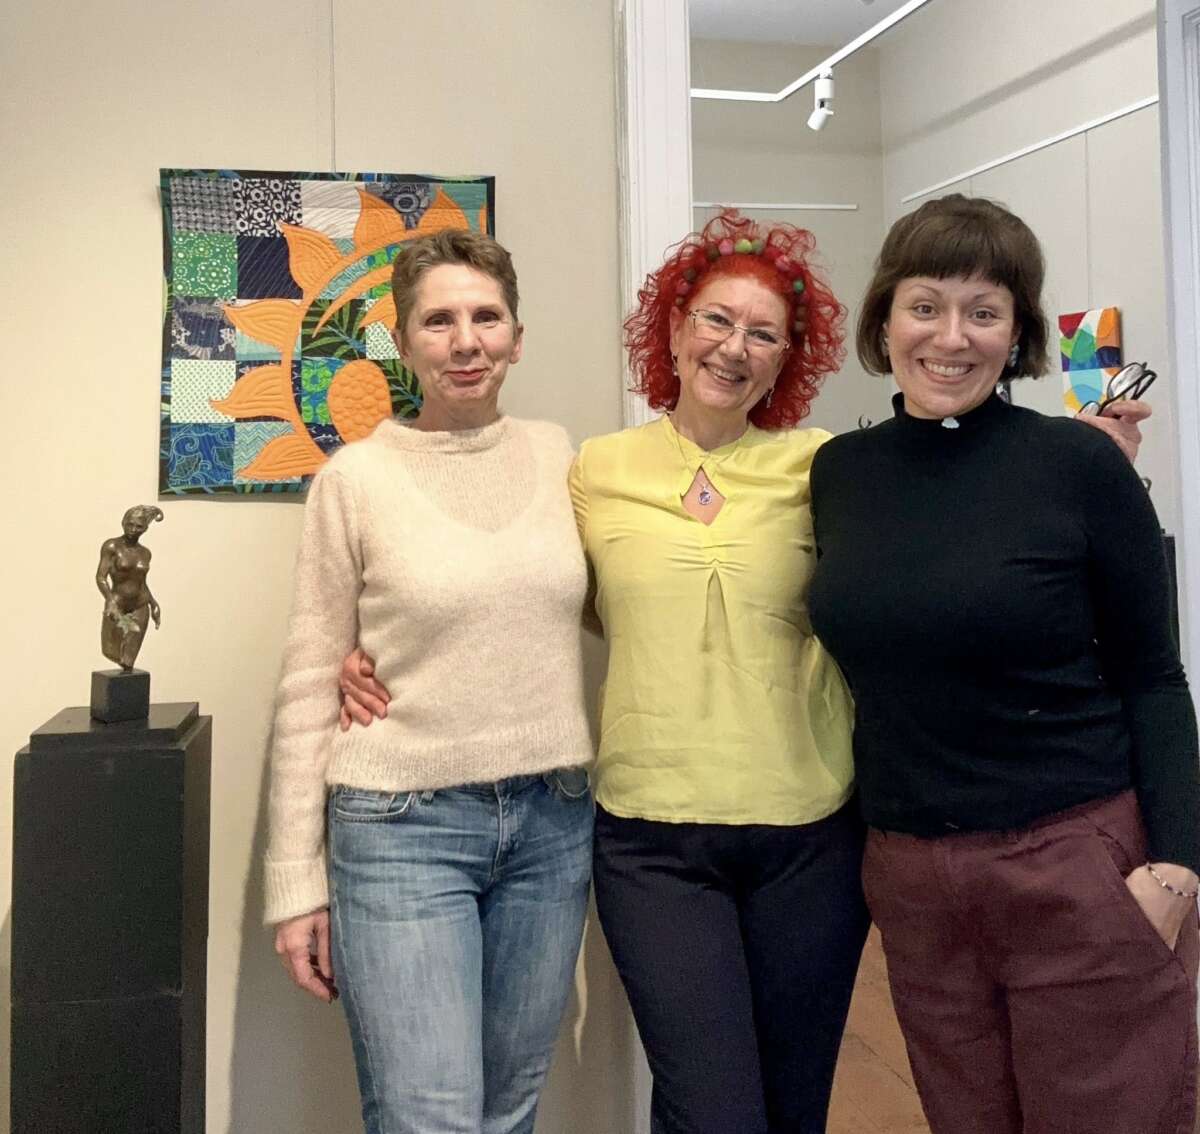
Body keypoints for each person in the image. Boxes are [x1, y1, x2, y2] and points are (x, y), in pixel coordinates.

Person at [340, 211, 1151, 1133]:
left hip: (812, 836)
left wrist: (1085, 463)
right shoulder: (593, 469)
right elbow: (515, 583)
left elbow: (946, 533)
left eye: (763, 334)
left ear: (785, 361)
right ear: (674, 330)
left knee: (795, 1107)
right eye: (717, 321)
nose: (734, 348)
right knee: (712, 1108)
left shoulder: (825, 469)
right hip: (651, 838)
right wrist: (370, 649)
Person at [807, 193, 1200, 1134]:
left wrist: (1179, 867)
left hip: (1072, 863)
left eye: (983, 311)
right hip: (913, 880)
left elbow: (1155, 675)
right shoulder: (841, 474)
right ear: (885, 319)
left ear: (1017, 332)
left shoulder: (1079, 465)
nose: (951, 338)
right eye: (925, 305)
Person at [264, 229, 595, 1134]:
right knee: (429, 1118)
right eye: (438, 321)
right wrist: (295, 884)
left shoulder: (560, 456)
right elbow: (308, 682)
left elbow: (620, 602)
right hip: (401, 830)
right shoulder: (356, 479)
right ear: (404, 343)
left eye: (486, 317)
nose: (466, 341)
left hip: (553, 823)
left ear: (517, 336)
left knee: (509, 1108)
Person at [95, 504, 164, 670]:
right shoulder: (112, 546)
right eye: (129, 524)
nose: (133, 529)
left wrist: (153, 603)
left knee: (128, 659)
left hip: (140, 605)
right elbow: (101, 577)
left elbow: (141, 582)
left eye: (139, 526)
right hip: (118, 604)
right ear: (123, 523)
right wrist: (110, 600)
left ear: (145, 529)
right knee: (111, 650)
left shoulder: (145, 553)